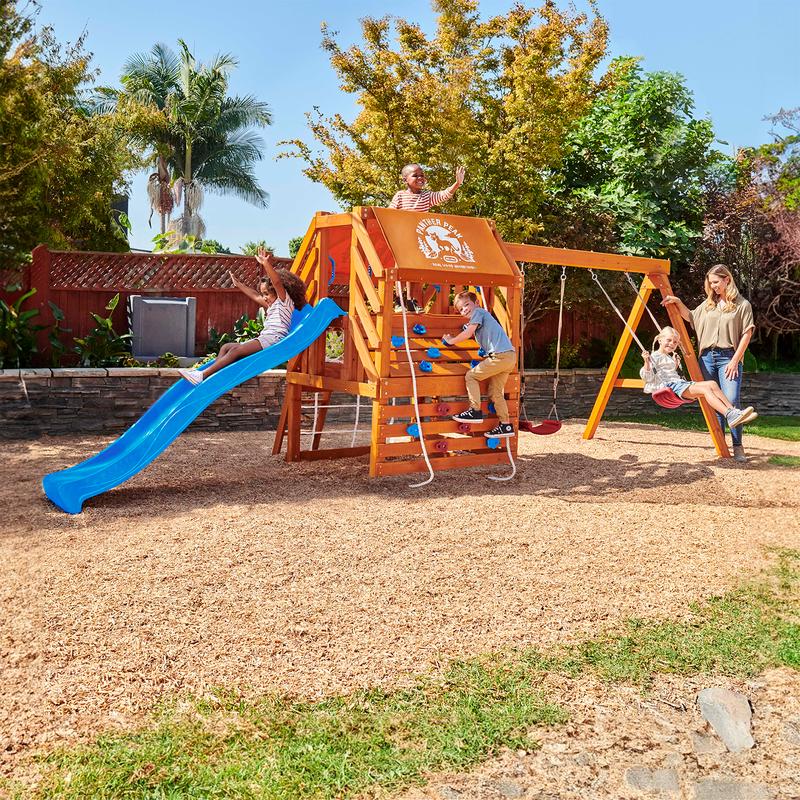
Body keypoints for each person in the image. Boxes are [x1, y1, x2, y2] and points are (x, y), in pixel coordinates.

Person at [661, 265, 756, 462]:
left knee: (731, 399)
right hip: (706, 358)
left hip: (729, 357)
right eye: (710, 283)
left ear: (727, 280)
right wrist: (678, 302)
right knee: (713, 401)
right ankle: (721, 445)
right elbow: (691, 317)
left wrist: (735, 360)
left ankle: (738, 446)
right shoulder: (708, 305)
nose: (713, 287)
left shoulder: (742, 305)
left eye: (716, 282)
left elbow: (747, 333)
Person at [178, 249, 307, 385]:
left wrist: (266, 264)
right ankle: (215, 377)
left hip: (274, 340)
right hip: (265, 339)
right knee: (226, 347)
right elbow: (255, 295)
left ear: (277, 292)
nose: (264, 297)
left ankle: (202, 375)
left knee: (236, 351)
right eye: (263, 294)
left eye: (267, 294)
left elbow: (277, 283)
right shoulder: (272, 305)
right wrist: (239, 285)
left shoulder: (285, 302)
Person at [641, 326, 757, 431]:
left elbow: (667, 372)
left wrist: (675, 365)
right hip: (672, 387)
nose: (672, 344)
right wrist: (646, 362)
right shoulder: (653, 357)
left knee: (712, 384)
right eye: (669, 340)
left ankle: (734, 412)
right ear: (660, 340)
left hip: (678, 384)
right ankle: (729, 414)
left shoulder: (669, 357)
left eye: (675, 342)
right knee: (705, 390)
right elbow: (647, 377)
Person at [444, 290, 516, 439]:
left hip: (500, 356)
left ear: (476, 303)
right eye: (461, 309)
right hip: (509, 357)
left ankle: (474, 410)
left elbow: (467, 333)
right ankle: (505, 425)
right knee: (495, 393)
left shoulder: (479, 312)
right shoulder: (481, 318)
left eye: (466, 304)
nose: (464, 309)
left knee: (471, 376)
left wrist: (451, 340)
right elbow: (484, 335)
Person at [389, 163, 465, 212]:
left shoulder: (427, 196)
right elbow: (389, 213)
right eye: (415, 175)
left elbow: (444, 195)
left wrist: (457, 183)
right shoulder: (400, 195)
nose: (420, 178)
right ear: (405, 180)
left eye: (421, 175)